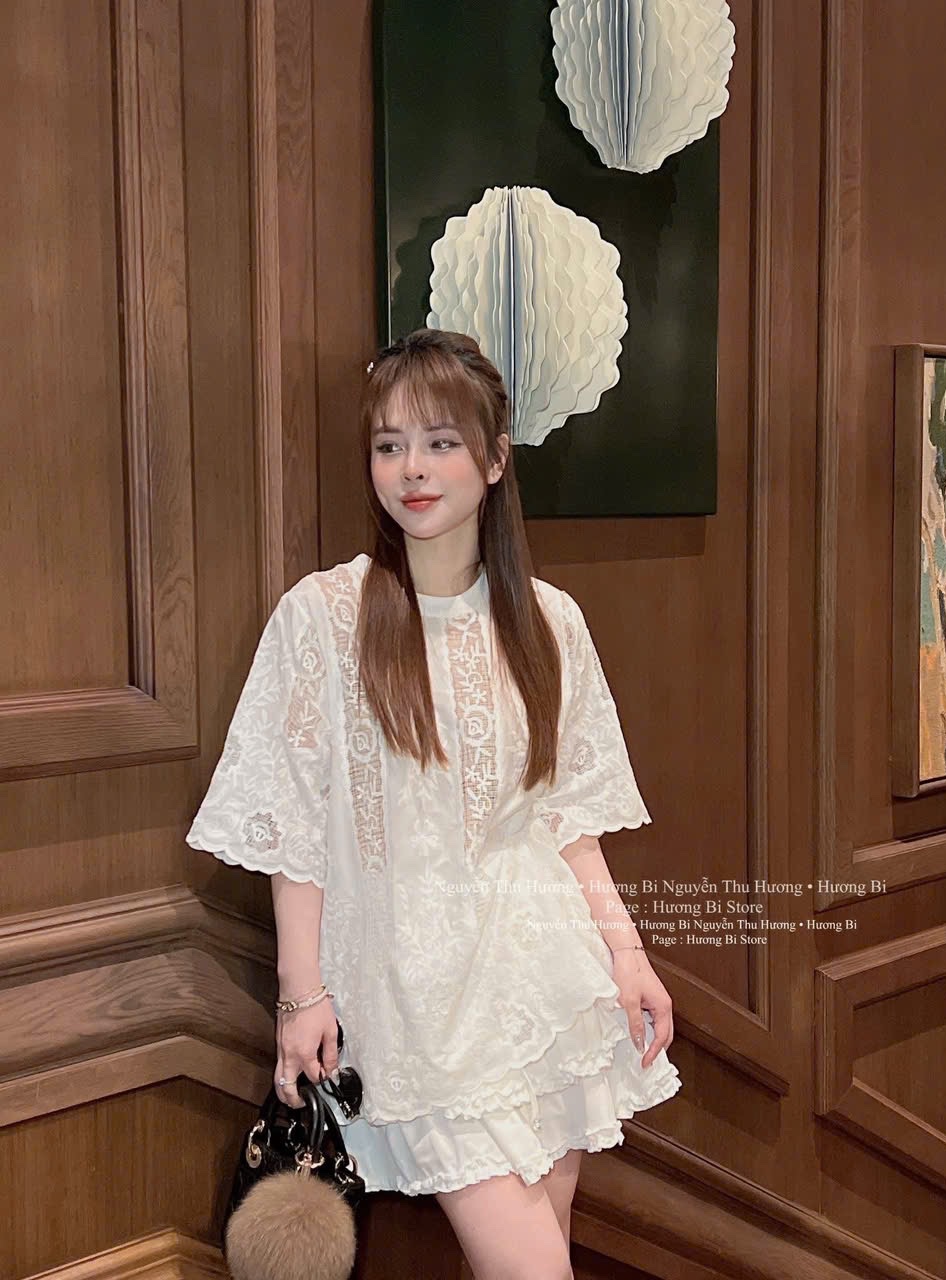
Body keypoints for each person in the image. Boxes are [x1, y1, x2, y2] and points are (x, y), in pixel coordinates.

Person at [186, 328, 681, 1280]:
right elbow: (294, 826)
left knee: (544, 1254)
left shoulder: (549, 621)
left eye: (440, 442)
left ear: (494, 460)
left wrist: (627, 957)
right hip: (414, 1001)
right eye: (389, 444)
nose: (411, 468)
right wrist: (301, 994)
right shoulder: (324, 616)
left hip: (544, 982)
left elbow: (566, 820)